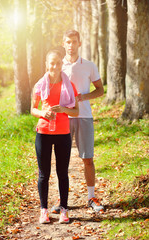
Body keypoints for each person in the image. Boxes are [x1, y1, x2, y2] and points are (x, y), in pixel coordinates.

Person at [52, 30, 104, 213]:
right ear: (63, 43)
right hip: (63, 118)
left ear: (79, 43)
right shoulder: (58, 66)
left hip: (84, 117)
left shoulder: (89, 66)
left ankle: (91, 197)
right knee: (62, 161)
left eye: (74, 42)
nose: (71, 45)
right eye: (68, 42)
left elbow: (100, 90)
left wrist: (83, 97)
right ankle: (61, 200)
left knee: (87, 158)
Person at [31, 49, 79, 224]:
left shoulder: (69, 85)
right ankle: (43, 210)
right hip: (43, 133)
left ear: (61, 64)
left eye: (58, 63)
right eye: (52, 63)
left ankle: (64, 210)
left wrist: (64, 110)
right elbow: (32, 109)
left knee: (62, 173)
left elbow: (76, 111)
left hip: (63, 134)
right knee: (44, 174)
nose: (55, 66)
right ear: (46, 64)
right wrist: (44, 113)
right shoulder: (40, 85)